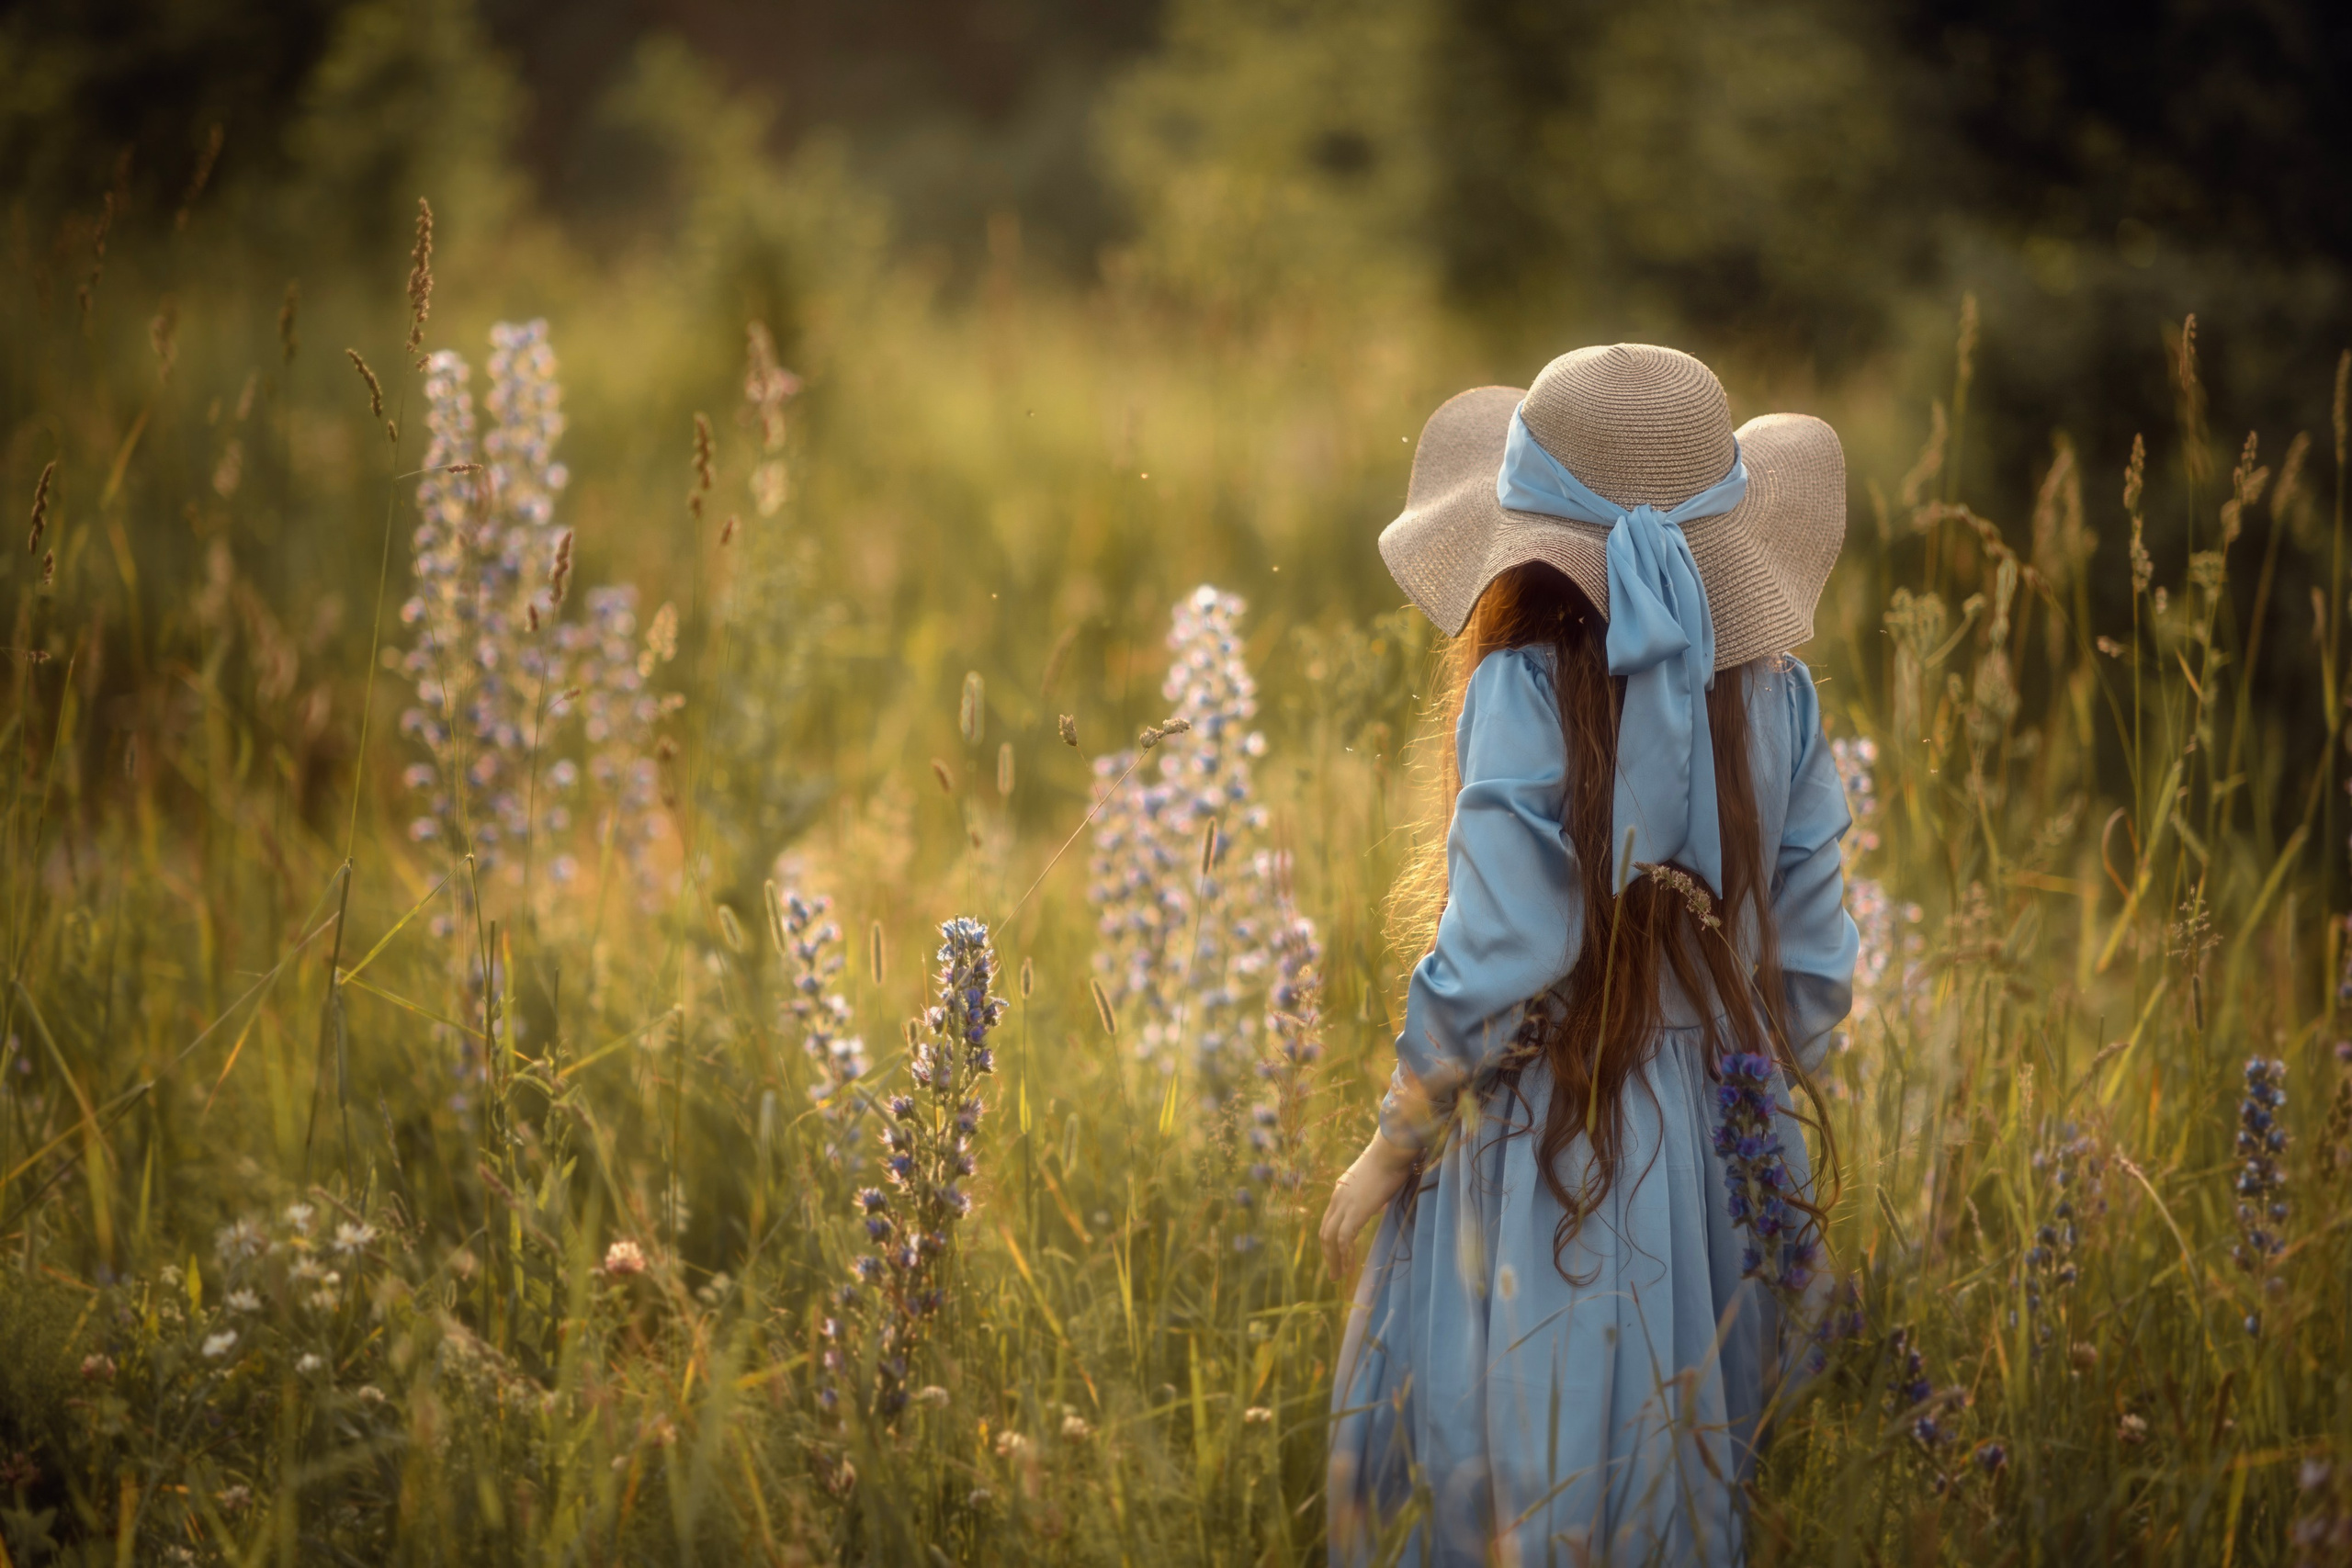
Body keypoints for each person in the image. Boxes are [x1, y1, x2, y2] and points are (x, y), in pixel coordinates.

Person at [1321, 344, 1861, 1566]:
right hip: (1724, 1154)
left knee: (1515, 1475)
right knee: (1686, 1474)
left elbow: (1504, 942)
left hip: (1549, 1143)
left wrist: (1394, 1141)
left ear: (1525, 540)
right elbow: (1815, 963)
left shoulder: (1525, 681)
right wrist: (1772, 1102)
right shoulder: (1778, 697)